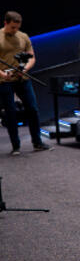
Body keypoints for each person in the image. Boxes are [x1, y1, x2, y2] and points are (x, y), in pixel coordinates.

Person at [0, 11, 50, 154]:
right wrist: (2, 74)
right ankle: (15, 146)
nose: (15, 30)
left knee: (33, 109)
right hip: (4, 80)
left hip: (22, 79)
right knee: (10, 113)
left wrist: (26, 68)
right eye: (12, 27)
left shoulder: (23, 36)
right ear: (5, 23)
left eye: (17, 27)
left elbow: (32, 57)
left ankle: (37, 142)